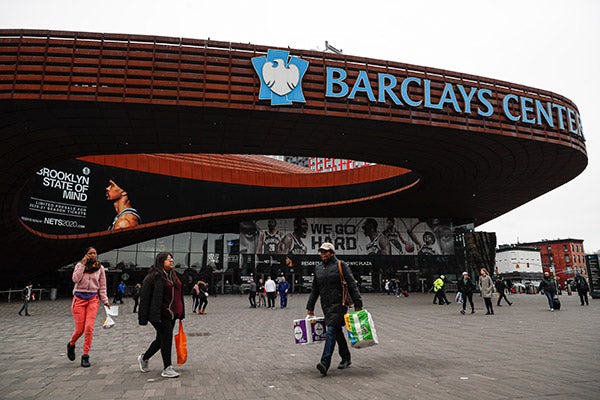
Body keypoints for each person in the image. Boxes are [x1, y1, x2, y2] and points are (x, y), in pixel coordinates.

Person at [306, 242, 363, 376]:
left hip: (339, 304)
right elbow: (315, 289)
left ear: (332, 253)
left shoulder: (340, 265)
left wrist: (358, 304)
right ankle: (346, 357)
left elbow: (352, 285)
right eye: (321, 252)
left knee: (331, 329)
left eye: (325, 252)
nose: (323, 254)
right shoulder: (318, 268)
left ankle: (325, 363)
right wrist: (310, 307)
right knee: (336, 331)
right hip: (326, 305)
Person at [137, 252, 185, 378]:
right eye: (169, 259)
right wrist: (143, 318)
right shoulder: (153, 277)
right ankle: (167, 368)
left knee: (160, 340)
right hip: (159, 314)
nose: (172, 261)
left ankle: (144, 357)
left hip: (172, 314)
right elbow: (145, 297)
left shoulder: (172, 275)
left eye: (172, 259)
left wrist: (180, 312)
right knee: (167, 337)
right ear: (161, 261)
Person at [67, 247, 110, 368]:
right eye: (90, 253)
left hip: (92, 299)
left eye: (95, 253)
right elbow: (75, 279)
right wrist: (82, 265)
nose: (93, 255)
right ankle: (71, 344)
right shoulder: (79, 266)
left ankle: (85, 356)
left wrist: (105, 300)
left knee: (89, 328)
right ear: (86, 255)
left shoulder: (100, 268)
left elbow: (102, 286)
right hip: (79, 300)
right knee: (79, 330)